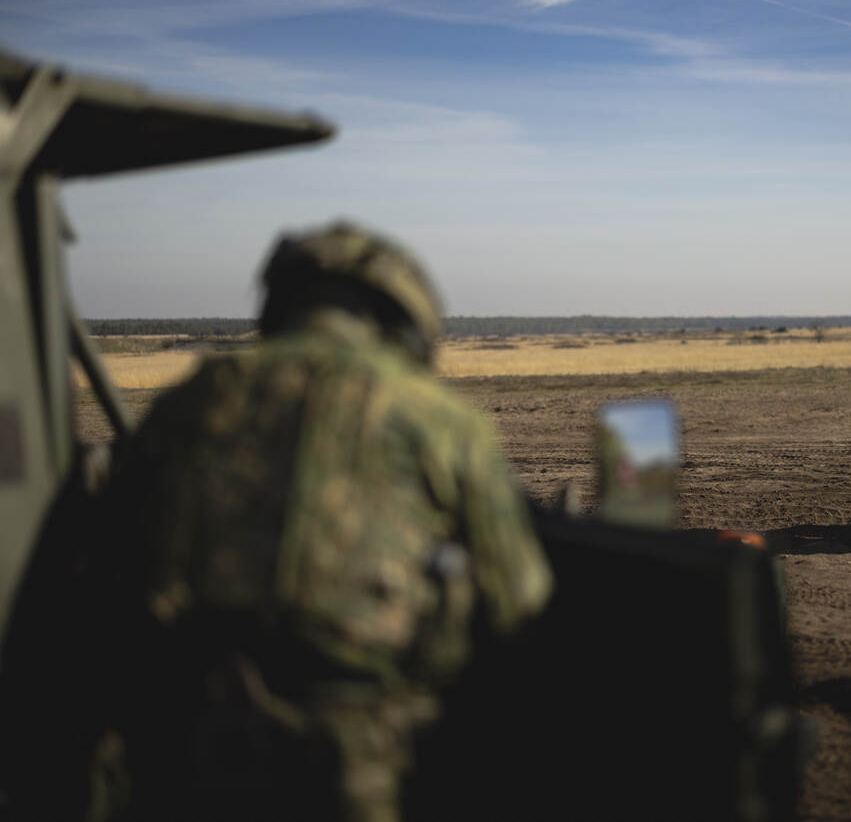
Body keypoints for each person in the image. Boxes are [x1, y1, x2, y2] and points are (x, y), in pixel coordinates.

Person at [83, 222, 555, 821]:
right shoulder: (438, 418)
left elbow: (107, 574)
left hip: (184, 745)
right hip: (356, 759)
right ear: (403, 321)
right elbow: (519, 599)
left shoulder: (189, 402)